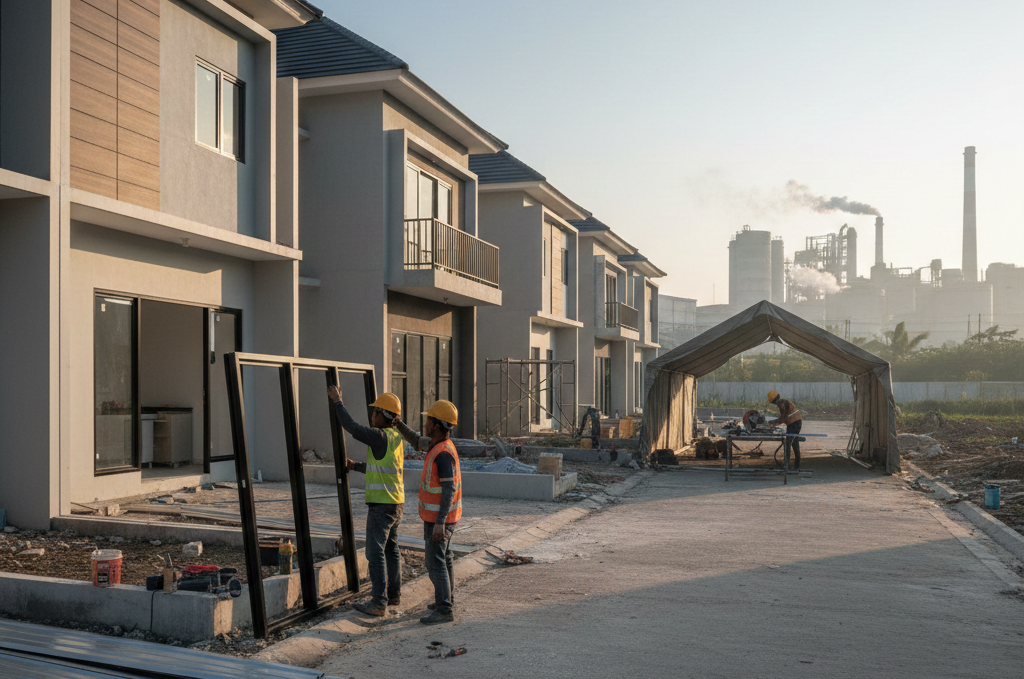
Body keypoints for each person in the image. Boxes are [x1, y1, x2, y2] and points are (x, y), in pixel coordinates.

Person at [327, 385, 405, 617]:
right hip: (396, 503)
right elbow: (383, 468)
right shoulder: (395, 436)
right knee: (391, 550)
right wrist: (356, 466)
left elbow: (352, 428)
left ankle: (378, 602)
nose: (372, 416)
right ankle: (394, 595)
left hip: (381, 506)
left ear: (383, 415)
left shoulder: (379, 435)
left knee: (374, 552)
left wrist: (338, 402)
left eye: (375, 412)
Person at [394, 400, 461, 625]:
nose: (425, 423)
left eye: (428, 420)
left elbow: (449, 488)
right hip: (441, 517)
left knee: (435, 563)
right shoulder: (437, 443)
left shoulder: (442, 453)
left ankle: (444, 609)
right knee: (446, 559)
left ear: (437, 424)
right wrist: (399, 424)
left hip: (440, 519)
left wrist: (440, 522)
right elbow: (415, 440)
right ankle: (446, 599)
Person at [767, 390, 803, 470]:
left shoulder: (781, 403)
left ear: (773, 401)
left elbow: (782, 418)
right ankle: (796, 467)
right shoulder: (784, 401)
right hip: (796, 422)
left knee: (788, 444)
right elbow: (784, 417)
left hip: (793, 424)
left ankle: (786, 466)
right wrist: (774, 422)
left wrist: (771, 423)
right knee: (795, 444)